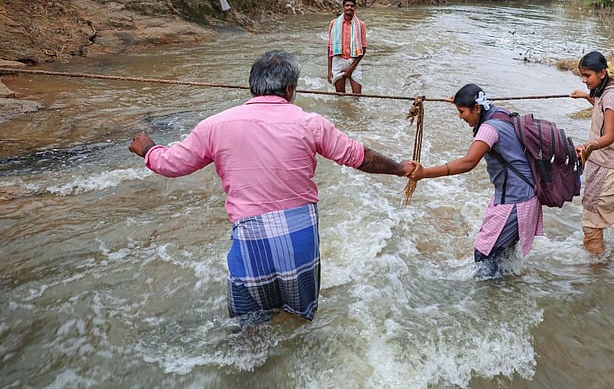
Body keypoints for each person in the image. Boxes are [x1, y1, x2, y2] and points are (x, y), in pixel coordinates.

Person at [128, 50, 414, 325]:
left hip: (251, 242)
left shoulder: (215, 125)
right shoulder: (310, 122)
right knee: (299, 319)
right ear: (290, 89)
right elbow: (359, 157)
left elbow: (172, 164)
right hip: (300, 240)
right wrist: (399, 168)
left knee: (249, 326)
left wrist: (149, 149)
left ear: (253, 87)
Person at [409, 84, 543, 278]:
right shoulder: (498, 112)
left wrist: (425, 173)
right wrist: (460, 100)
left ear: (477, 108)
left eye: (461, 111)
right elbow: (475, 101)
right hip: (526, 194)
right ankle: (508, 288)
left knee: (484, 254)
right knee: (502, 253)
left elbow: (468, 162)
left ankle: (488, 300)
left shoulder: (489, 129)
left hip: (516, 200)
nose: (460, 116)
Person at [569, 51, 614, 256]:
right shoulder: (608, 93)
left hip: (611, 169)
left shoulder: (611, 97)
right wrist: (585, 96)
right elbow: (604, 110)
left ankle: (596, 269)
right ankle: (598, 265)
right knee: (592, 222)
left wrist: (588, 146)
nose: (584, 80)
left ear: (602, 73)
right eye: (582, 75)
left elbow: (608, 136)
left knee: (591, 224)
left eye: (587, 75)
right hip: (603, 165)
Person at [327, 0, 367, 94]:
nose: (349, 8)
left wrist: (351, 68)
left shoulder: (361, 25)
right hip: (338, 59)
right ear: (343, 7)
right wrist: (329, 70)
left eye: (352, 6)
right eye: (347, 5)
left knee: (357, 96)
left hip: (354, 60)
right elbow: (330, 47)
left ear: (355, 8)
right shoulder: (333, 23)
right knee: (340, 96)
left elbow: (363, 48)